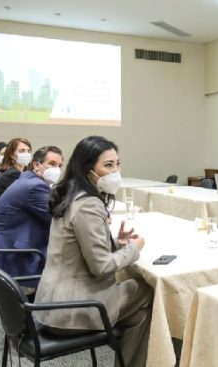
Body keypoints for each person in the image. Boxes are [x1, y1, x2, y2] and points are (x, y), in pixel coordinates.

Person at [35, 136, 151, 367]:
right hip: (72, 310)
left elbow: (79, 249)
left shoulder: (71, 194)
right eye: (108, 165)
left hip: (50, 304)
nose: (115, 171)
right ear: (87, 168)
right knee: (148, 289)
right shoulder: (89, 204)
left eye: (118, 163)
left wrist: (115, 243)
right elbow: (101, 267)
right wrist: (133, 249)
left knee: (139, 317)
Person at [0, 146, 64, 291]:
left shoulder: (28, 179)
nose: (57, 169)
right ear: (36, 164)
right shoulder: (35, 187)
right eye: (52, 164)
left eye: (60, 166)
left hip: (8, 242)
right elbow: (59, 218)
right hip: (14, 252)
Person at [0, 137, 32, 202]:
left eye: (28, 151)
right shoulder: (13, 174)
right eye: (22, 151)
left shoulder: (21, 172)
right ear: (11, 155)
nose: (26, 154)